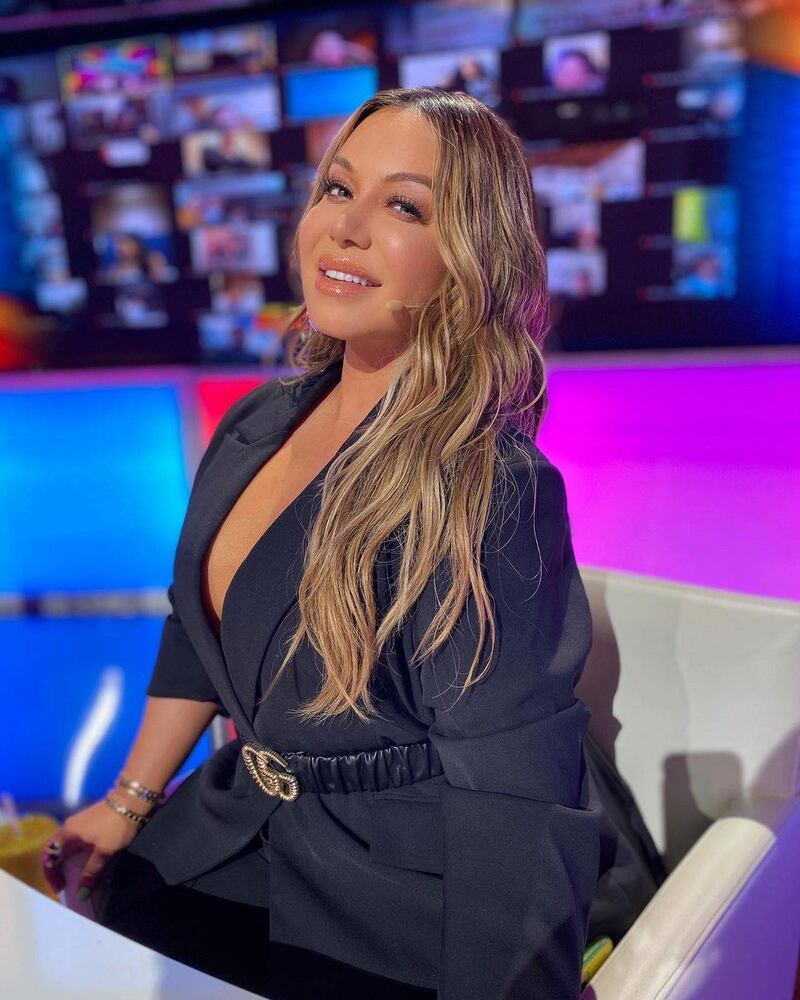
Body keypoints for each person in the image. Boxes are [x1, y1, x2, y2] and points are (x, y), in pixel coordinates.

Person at [41, 87, 660, 999]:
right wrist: (128, 803)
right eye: (337, 189)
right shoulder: (256, 422)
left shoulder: (488, 488)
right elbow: (200, 632)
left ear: (468, 257)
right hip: (235, 827)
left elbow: (512, 792)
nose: (347, 228)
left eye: (404, 206)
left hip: (399, 890)